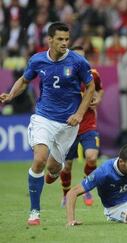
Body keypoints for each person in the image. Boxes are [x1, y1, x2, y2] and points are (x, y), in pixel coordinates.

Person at [0, 22, 95, 225]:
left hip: (68, 124)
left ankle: (53, 171)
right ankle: (34, 212)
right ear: (49, 40)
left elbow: (90, 86)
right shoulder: (37, 60)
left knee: (53, 169)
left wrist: (80, 113)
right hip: (43, 117)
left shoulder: (78, 62)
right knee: (40, 159)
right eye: (59, 39)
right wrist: (10, 95)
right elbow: (24, 81)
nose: (64, 43)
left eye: (66, 39)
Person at [60, 46, 105, 207]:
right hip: (69, 126)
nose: (81, 61)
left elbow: (100, 90)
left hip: (88, 124)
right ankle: (66, 194)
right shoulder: (65, 75)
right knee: (66, 166)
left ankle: (87, 188)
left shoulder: (93, 74)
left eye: (83, 58)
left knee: (92, 157)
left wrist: (98, 99)